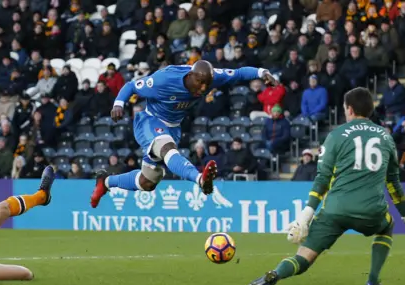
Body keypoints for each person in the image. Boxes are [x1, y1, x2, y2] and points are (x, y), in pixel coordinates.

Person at [245, 87, 405, 285]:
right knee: (387, 226)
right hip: (370, 211)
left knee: (303, 258)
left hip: (335, 210)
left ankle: (276, 274)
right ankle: (373, 282)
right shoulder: (387, 138)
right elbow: (394, 185)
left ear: (349, 110)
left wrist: (305, 217)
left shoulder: (335, 135)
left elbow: (322, 179)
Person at [90, 61, 274, 208]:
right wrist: (118, 104)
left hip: (173, 127)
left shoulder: (212, 76)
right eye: (200, 83)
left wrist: (261, 72)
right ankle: (200, 179)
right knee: (167, 148)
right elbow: (131, 86)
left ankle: (105, 182)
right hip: (150, 121)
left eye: (206, 85)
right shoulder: (164, 79)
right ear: (191, 75)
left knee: (148, 182)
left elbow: (239, 73)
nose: (203, 89)